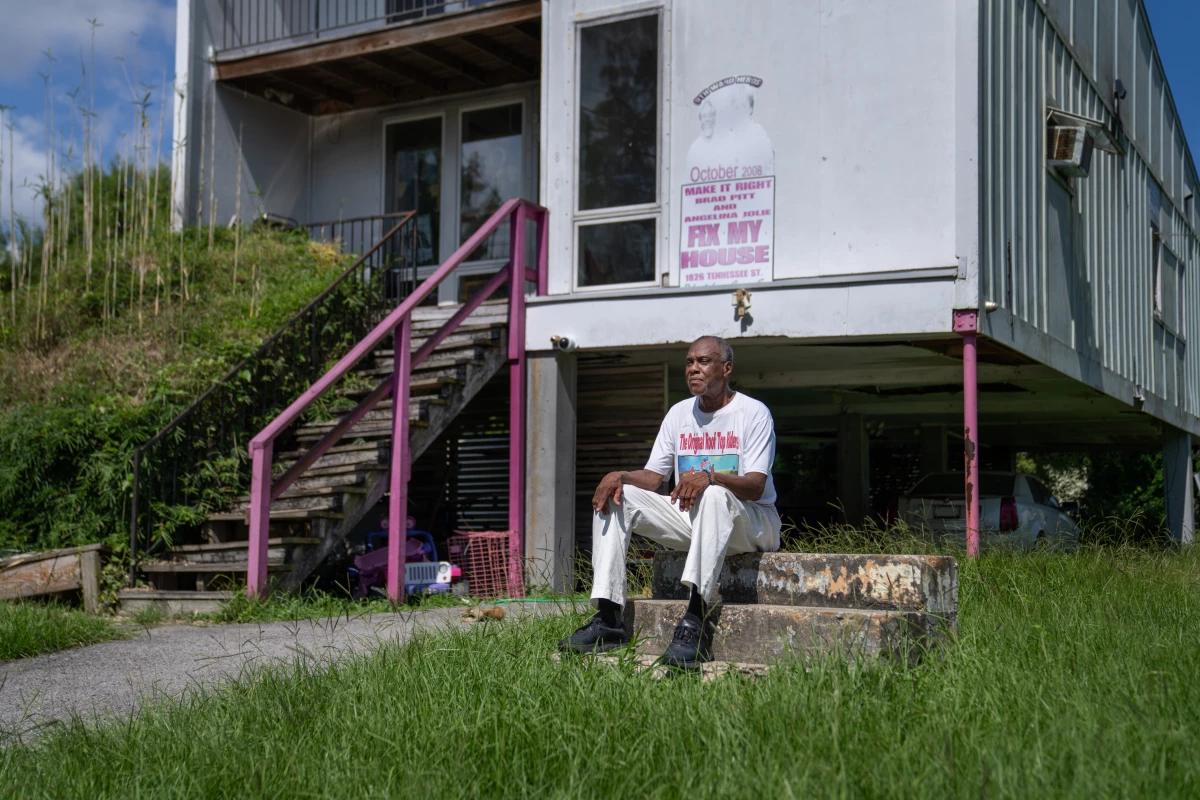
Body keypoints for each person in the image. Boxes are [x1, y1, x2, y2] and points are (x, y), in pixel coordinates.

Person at [559, 335, 781, 668]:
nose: (694, 368)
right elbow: (653, 478)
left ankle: (695, 620)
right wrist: (620, 475)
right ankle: (608, 618)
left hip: (751, 523)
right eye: (689, 362)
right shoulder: (679, 414)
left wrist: (711, 477)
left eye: (704, 362)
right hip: (697, 522)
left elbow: (754, 486)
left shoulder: (753, 413)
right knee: (619, 496)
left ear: (727, 368)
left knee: (716, 495)